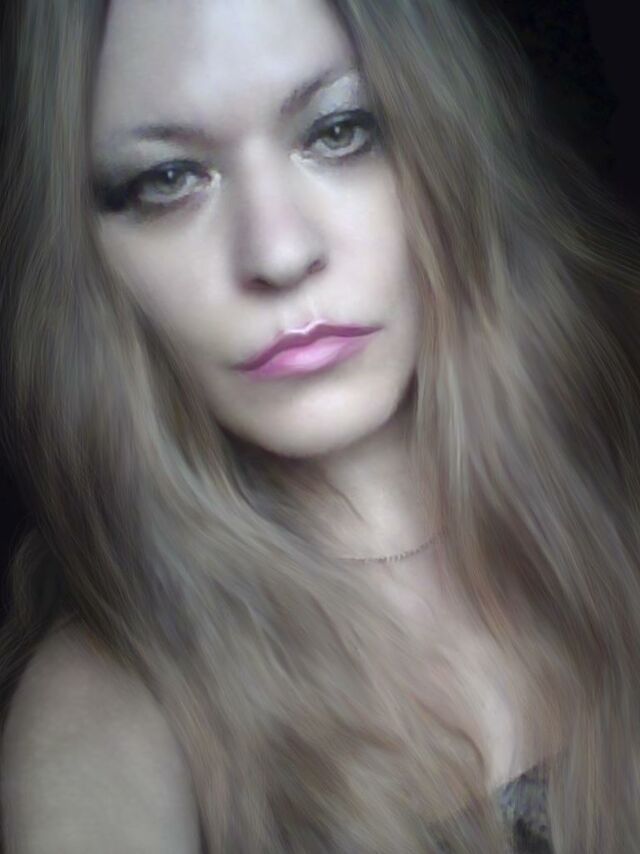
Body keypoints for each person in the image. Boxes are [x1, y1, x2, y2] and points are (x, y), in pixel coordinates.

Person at [0, 0, 639, 851]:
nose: (278, 253)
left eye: (339, 131)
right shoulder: (113, 702)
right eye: (167, 180)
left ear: (451, 147)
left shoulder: (620, 481)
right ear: (86, 261)